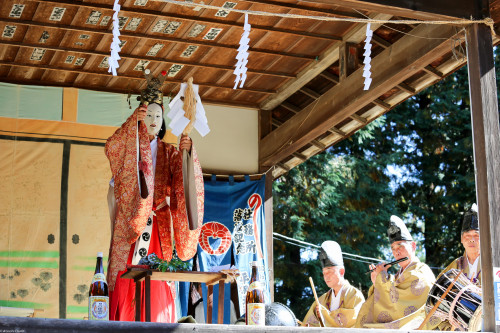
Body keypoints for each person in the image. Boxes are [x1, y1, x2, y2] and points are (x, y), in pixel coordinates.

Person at [105, 73, 204, 322]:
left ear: (162, 122)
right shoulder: (130, 144)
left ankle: (159, 323)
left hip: (158, 226)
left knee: (158, 278)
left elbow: (183, 182)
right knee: (127, 276)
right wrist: (132, 124)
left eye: (157, 116)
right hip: (131, 225)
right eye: (148, 115)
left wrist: (186, 153)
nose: (152, 119)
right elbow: (112, 147)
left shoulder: (168, 152)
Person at [355, 215, 436, 329]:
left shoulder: (423, 272)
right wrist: (376, 282)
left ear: (413, 246)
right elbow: (388, 300)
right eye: (393, 248)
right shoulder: (396, 277)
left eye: (400, 246)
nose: (396, 252)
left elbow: (404, 303)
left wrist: (383, 278)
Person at [302, 241, 365, 327]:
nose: (326, 276)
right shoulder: (321, 301)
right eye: (324, 273)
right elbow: (307, 325)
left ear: (341, 272)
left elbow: (353, 320)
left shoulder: (354, 295)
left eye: (329, 272)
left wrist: (324, 314)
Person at [438, 204, 480, 286]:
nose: (471, 239)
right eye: (467, 236)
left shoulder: (493, 264)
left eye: (476, 235)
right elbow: (438, 288)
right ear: (462, 239)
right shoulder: (455, 265)